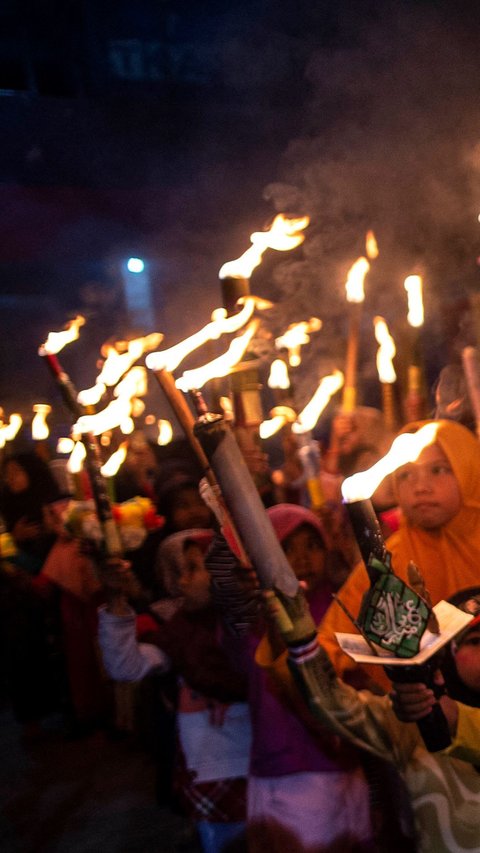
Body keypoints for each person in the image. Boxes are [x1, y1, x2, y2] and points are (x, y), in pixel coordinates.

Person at [259, 583, 480, 853]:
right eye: (476, 642)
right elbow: (333, 704)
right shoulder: (411, 717)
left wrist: (453, 717)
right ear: (445, 651)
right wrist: (299, 638)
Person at [206, 504, 373, 853]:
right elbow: (238, 657)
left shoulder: (341, 605)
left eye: (312, 545)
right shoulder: (257, 617)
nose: (301, 558)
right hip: (285, 764)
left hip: (341, 754)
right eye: (286, 548)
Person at [96, 532, 250, 853]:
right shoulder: (183, 633)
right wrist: (116, 600)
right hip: (210, 772)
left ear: (223, 572)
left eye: (192, 569)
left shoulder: (253, 629)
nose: (181, 582)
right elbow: (125, 666)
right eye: (181, 570)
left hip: (264, 769)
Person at [318, 418, 480, 692]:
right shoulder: (388, 560)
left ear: (470, 469)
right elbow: (329, 648)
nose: (421, 487)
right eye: (405, 475)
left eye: (438, 470)